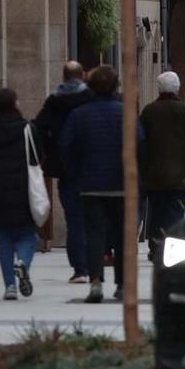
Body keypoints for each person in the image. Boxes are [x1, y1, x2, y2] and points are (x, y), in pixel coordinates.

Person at [59, 65, 142, 305]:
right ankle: (122, 284)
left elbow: (66, 146)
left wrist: (76, 171)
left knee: (94, 234)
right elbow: (141, 142)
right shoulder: (125, 113)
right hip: (121, 183)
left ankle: (95, 280)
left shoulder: (79, 114)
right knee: (122, 236)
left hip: (90, 184)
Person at [138, 71, 185, 263]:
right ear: (177, 88)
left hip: (154, 175)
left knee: (156, 213)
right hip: (180, 175)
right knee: (176, 212)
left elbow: (140, 142)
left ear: (159, 88)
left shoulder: (149, 111)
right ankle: (174, 247)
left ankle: (156, 247)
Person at [0, 88, 40, 300]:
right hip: (22, 189)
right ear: (13, 105)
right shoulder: (26, 128)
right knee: (28, 236)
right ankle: (22, 263)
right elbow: (38, 154)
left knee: (3, 240)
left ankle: (9, 287)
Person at [34, 61, 92, 283]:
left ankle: (79, 268)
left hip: (65, 169)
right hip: (90, 167)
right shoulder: (90, 98)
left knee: (74, 219)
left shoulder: (54, 100)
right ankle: (92, 264)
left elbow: (39, 127)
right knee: (92, 218)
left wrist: (49, 149)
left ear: (64, 77)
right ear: (83, 75)